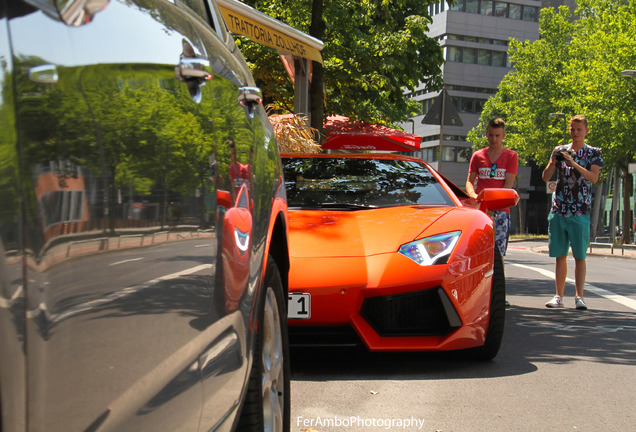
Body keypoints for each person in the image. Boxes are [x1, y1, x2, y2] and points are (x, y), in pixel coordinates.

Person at [541, 114, 603, 310]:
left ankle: (579, 296)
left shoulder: (593, 153)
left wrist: (573, 162)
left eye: (579, 129)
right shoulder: (560, 150)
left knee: (580, 256)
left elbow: (593, 177)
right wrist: (553, 161)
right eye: (572, 129)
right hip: (559, 208)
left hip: (580, 210)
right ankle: (558, 295)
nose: (575, 133)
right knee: (560, 255)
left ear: (586, 131)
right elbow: (545, 177)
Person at [466, 118, 518, 306]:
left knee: (498, 254)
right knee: (477, 252)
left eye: (498, 136)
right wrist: (473, 195)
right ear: (486, 134)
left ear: (503, 136)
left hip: (501, 211)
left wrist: (494, 200)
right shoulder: (478, 156)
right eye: (491, 135)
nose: (494, 139)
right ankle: (477, 295)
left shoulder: (511, 156)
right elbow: (470, 181)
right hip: (481, 211)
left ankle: (498, 295)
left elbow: (508, 185)